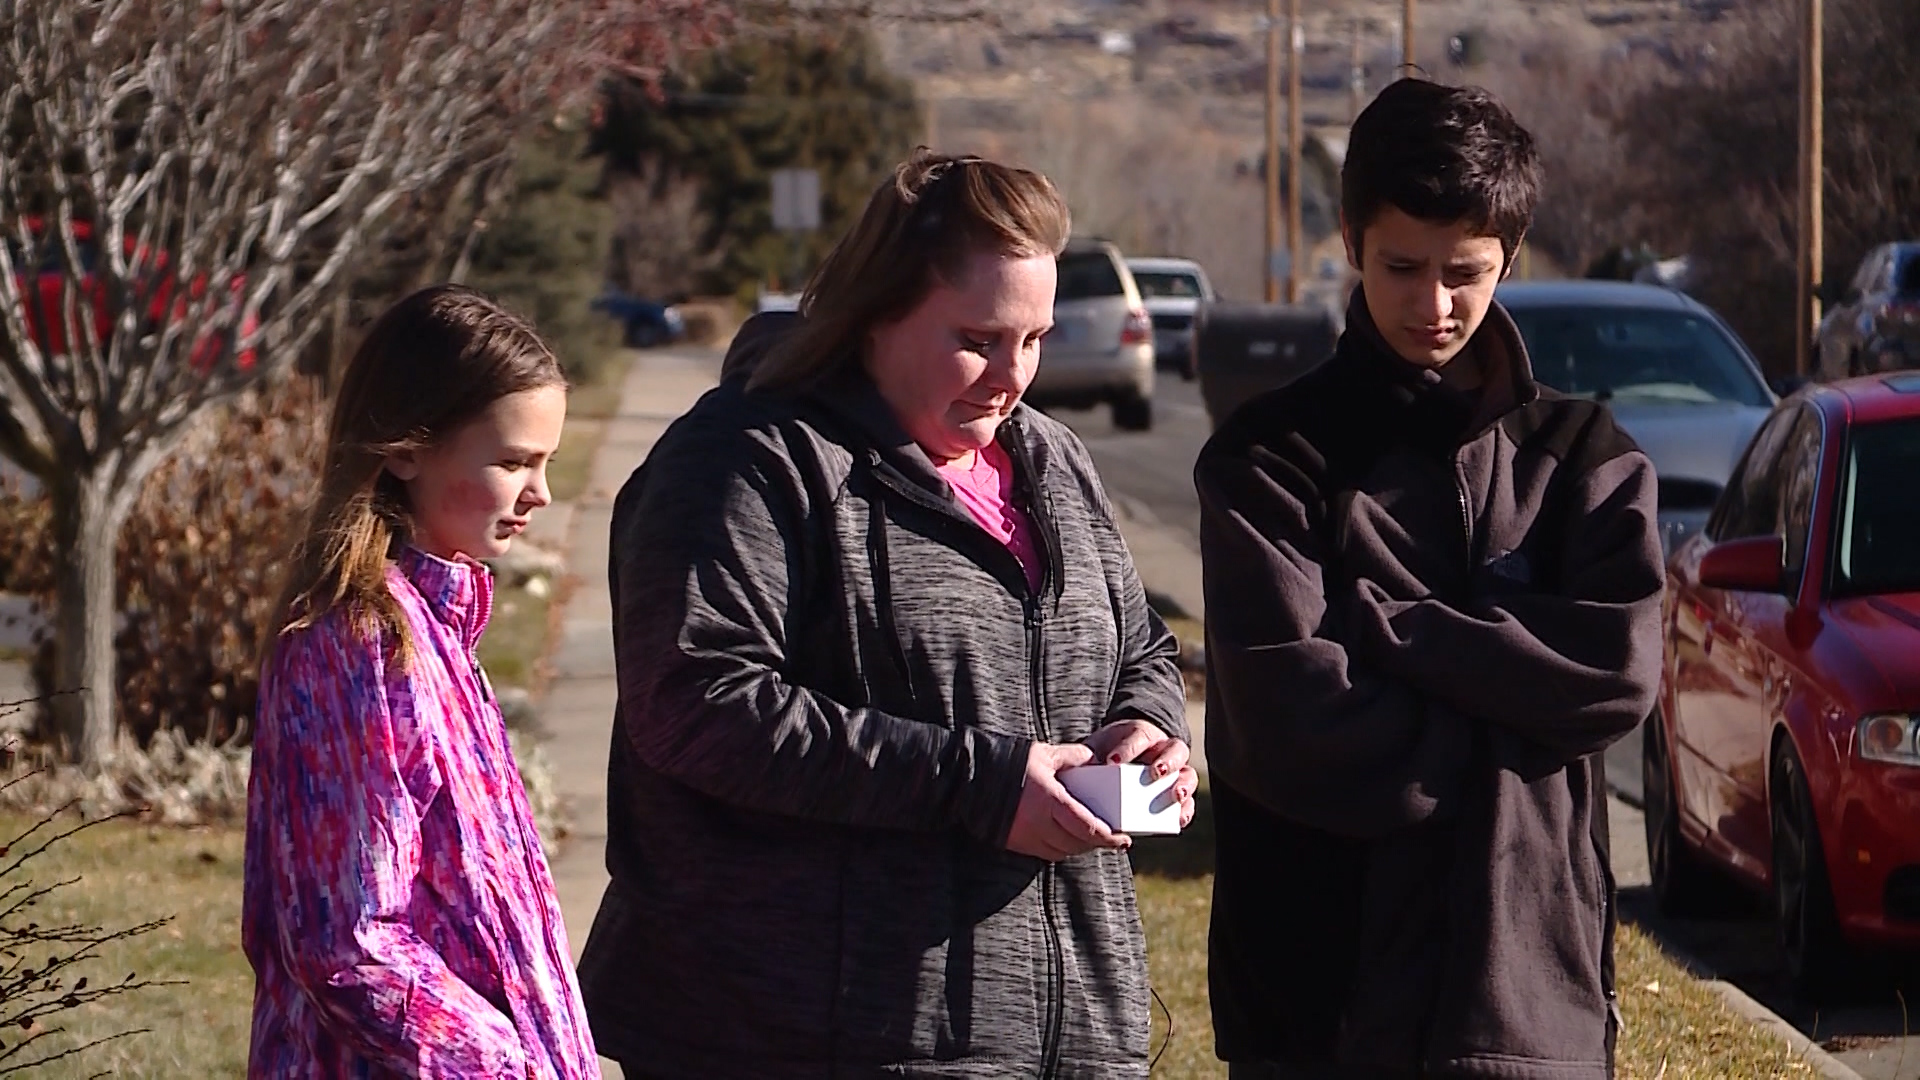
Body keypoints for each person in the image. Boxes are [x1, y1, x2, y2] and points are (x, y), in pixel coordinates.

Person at [577, 150, 1198, 1077]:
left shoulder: (1052, 460)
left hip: (1060, 1033)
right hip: (795, 1036)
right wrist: (982, 786)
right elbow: (697, 704)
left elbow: (1138, 643)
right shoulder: (744, 461)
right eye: (978, 338)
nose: (1013, 376)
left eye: (1035, 339)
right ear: (874, 311)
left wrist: (1148, 726)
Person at [1197, 78, 1664, 1078]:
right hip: (1316, 1010)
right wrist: (1518, 716)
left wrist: (1394, 630)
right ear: (1351, 239)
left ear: (1511, 255)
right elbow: (1294, 721)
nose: (1434, 305)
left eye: (1466, 272)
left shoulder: (1584, 456)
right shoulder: (1268, 460)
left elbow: (1618, 674)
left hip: (1531, 1001)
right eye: (1402, 266)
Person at [243, 285, 599, 1078]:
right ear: (405, 451)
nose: (540, 493)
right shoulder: (358, 647)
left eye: (545, 463)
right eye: (513, 462)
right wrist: (511, 1069)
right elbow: (349, 941)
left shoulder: (436, 631)